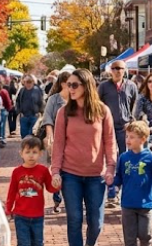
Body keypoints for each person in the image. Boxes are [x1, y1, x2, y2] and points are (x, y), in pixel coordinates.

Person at [51, 69, 117, 246]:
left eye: (74, 85)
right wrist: (55, 171)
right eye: (68, 85)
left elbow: (110, 142)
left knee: (96, 222)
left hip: (97, 175)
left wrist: (111, 168)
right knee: (74, 219)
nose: (70, 88)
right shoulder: (63, 112)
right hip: (70, 174)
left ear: (86, 86)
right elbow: (58, 144)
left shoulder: (103, 111)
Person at [6, 136, 59, 246]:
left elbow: (50, 188)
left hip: (38, 215)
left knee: (38, 242)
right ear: (21, 154)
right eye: (27, 152)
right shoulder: (17, 172)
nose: (31, 155)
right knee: (23, 243)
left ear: (40, 153)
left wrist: (56, 186)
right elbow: (12, 192)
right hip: (20, 215)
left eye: (34, 152)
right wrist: (8, 209)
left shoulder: (43, 170)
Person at [99, 59, 139, 206]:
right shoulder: (104, 87)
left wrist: (131, 120)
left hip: (124, 128)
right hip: (107, 128)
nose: (117, 71)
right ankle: (110, 190)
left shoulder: (131, 86)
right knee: (109, 158)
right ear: (111, 70)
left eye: (120, 68)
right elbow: (98, 105)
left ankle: (120, 188)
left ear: (125, 70)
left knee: (124, 158)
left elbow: (135, 105)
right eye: (114, 68)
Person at [114, 121, 152, 246]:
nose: (128, 140)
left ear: (142, 139)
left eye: (132, 137)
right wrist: (111, 183)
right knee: (129, 239)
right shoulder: (123, 157)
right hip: (128, 204)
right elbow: (119, 177)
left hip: (145, 204)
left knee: (145, 235)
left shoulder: (151, 158)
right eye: (127, 136)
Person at [42, 71, 72, 214]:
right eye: (68, 82)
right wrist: (49, 135)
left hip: (73, 141)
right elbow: (47, 118)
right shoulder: (54, 99)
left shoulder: (76, 98)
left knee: (70, 170)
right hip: (57, 139)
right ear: (62, 83)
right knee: (56, 168)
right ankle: (57, 199)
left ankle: (70, 200)